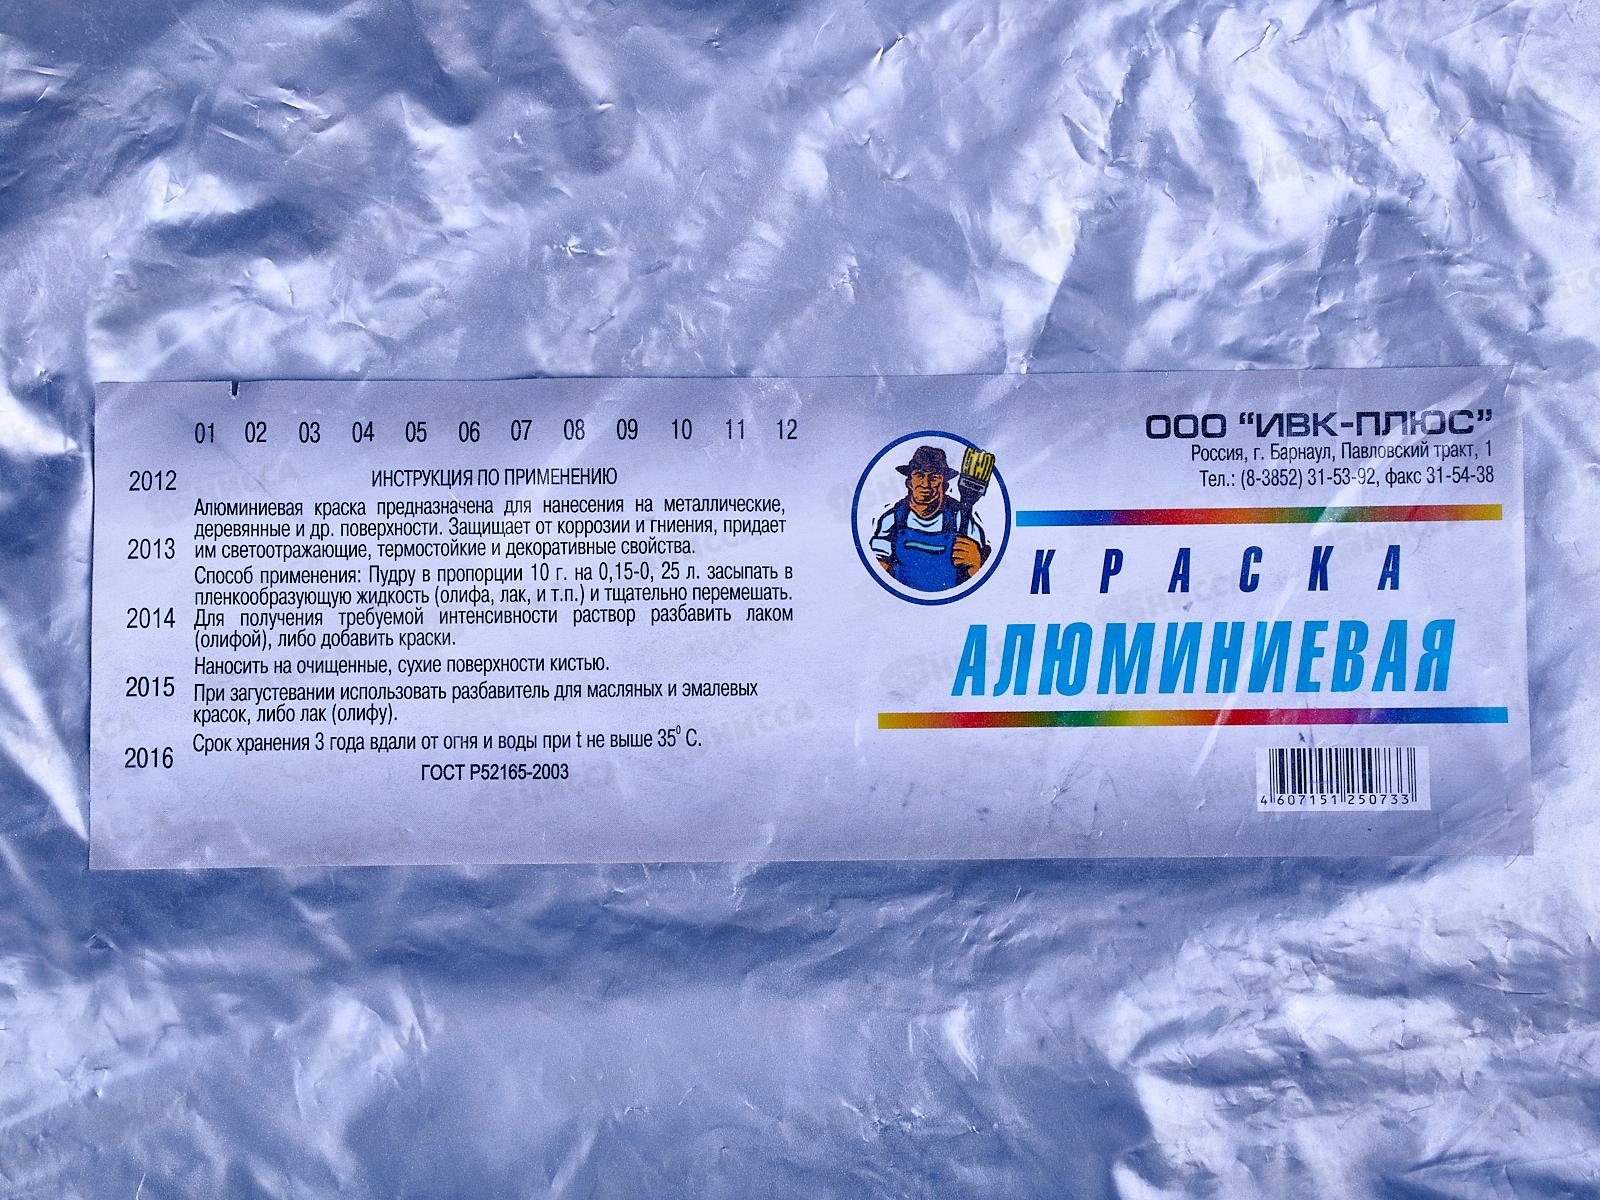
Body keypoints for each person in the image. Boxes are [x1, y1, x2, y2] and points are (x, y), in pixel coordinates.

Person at [869, 445, 988, 592]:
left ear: (944, 483)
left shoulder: (961, 520)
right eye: (919, 475)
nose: (925, 484)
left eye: (934, 477)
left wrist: (976, 562)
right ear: (909, 482)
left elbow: (982, 580)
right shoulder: (893, 520)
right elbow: (878, 572)